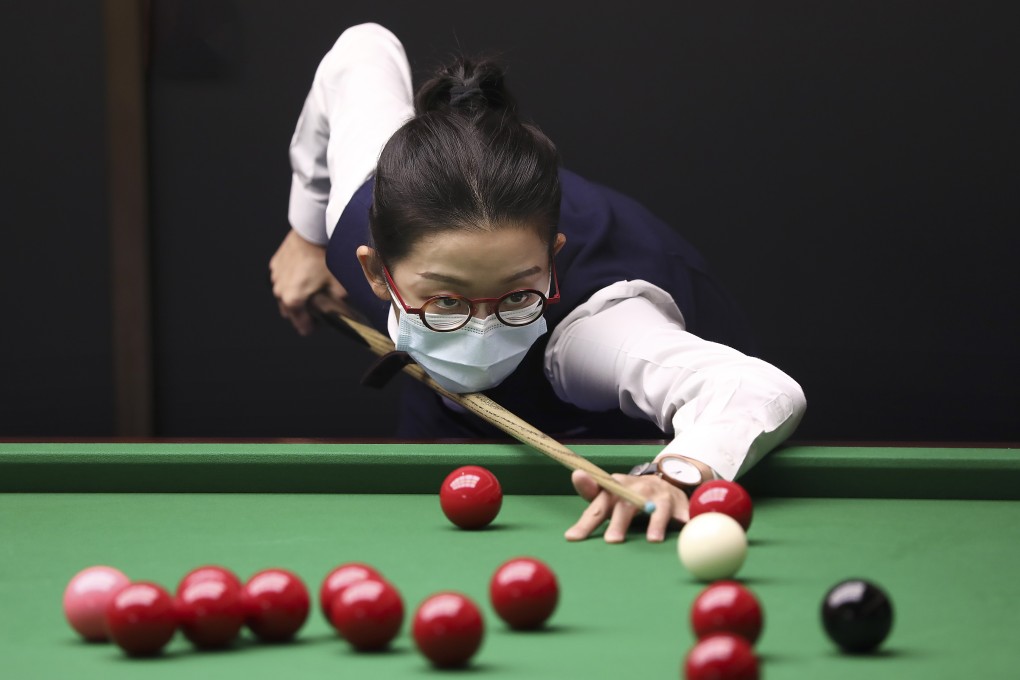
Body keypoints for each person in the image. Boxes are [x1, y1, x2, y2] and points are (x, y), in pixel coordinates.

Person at [269, 23, 806, 544]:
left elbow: (756, 390)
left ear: (552, 260)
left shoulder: (594, 329)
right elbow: (361, 48)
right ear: (374, 271)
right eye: (446, 301)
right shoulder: (359, 204)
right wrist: (306, 231)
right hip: (444, 411)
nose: (481, 332)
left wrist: (676, 473)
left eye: (517, 294)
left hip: (605, 430)